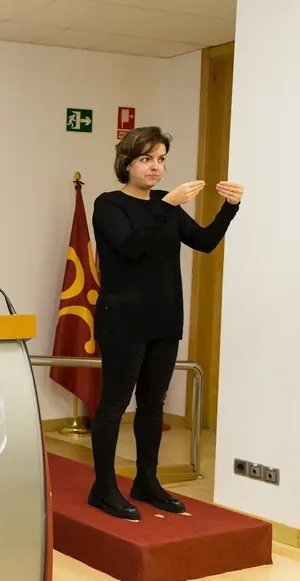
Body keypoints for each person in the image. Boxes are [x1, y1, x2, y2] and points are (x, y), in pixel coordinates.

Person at [90, 127, 243, 521]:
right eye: (146, 159)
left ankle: (146, 480)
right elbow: (130, 246)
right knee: (113, 405)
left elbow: (205, 242)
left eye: (160, 159)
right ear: (126, 163)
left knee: (153, 405)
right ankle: (103, 487)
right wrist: (166, 205)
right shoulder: (109, 204)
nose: (155, 167)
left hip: (164, 317)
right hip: (122, 318)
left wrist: (231, 208)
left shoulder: (166, 205)